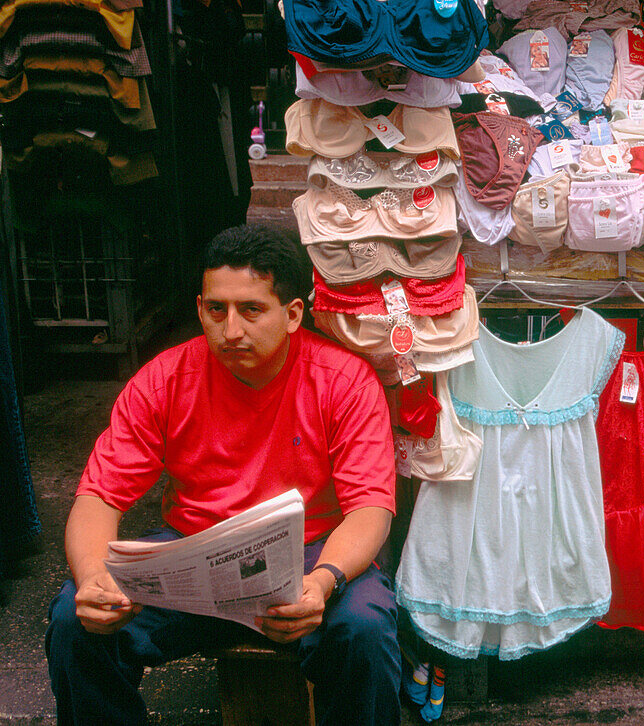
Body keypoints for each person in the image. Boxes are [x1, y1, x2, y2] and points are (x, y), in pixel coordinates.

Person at [45, 224, 401, 726]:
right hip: (191, 558)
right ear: (199, 310)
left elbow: (371, 508)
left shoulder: (342, 382)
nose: (231, 330)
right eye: (217, 310)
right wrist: (92, 578)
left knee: (364, 629)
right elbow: (99, 495)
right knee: (74, 622)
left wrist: (323, 582)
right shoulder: (163, 380)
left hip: (312, 554)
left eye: (252, 309)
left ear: (294, 314)